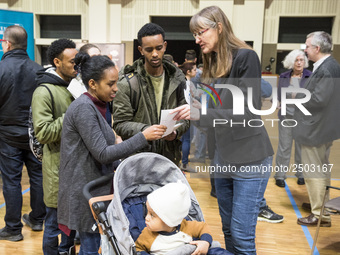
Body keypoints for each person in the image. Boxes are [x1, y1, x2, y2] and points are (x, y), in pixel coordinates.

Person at [57, 53, 167, 255]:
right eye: (111, 84)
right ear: (92, 84)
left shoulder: (97, 105)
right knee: (89, 247)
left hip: (93, 187)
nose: (116, 88)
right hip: (84, 191)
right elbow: (102, 153)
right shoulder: (84, 108)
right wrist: (143, 137)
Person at [189, 6, 274, 254]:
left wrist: (203, 113)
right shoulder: (213, 62)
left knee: (241, 235)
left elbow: (246, 114)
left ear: (219, 27)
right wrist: (195, 110)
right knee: (227, 230)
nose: (197, 39)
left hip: (250, 157)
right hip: (223, 156)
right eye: (194, 34)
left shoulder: (245, 57)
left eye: (200, 32)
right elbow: (213, 115)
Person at [112, 23, 189, 166]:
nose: (154, 54)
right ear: (141, 50)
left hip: (169, 158)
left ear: (165, 46)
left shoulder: (178, 80)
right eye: (149, 49)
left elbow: (187, 117)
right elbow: (120, 124)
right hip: (139, 161)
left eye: (159, 48)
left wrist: (175, 133)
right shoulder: (127, 83)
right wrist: (145, 131)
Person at [31, 38, 78, 254]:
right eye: (72, 62)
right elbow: (43, 133)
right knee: (53, 225)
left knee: (71, 226)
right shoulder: (44, 91)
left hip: (75, 169)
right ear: (57, 62)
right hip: (57, 171)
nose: (76, 66)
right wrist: (73, 113)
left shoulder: (73, 86)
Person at [0, 25, 46, 242]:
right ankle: (38, 219)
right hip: (35, 134)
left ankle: (13, 229)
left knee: (11, 181)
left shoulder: (0, 69)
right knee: (38, 177)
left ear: (7, 43)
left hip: (7, 136)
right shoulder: (39, 70)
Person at [293, 31, 340, 227]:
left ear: (317, 49)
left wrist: (298, 97)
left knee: (314, 172)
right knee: (320, 169)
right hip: (321, 129)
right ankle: (321, 206)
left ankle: (319, 214)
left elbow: (319, 99)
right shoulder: (328, 66)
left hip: (316, 130)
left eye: (307, 46)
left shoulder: (327, 69)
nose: (305, 50)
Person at [135, 181, 230, 255]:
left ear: (169, 219)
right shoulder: (146, 236)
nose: (146, 218)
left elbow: (203, 227)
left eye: (152, 215)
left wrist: (205, 242)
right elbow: (138, 249)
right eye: (147, 213)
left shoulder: (187, 227)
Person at [274, 50, 312, 188]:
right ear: (292, 62)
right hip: (286, 116)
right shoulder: (284, 76)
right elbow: (279, 95)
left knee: (301, 147)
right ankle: (280, 175)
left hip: (303, 118)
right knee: (284, 147)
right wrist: (278, 103)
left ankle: (300, 174)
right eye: (296, 60)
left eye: (302, 60)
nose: (299, 62)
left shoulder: (310, 76)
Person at [178, 62, 199, 173]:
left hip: (184, 113)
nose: (196, 72)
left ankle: (181, 163)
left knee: (184, 139)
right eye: (194, 70)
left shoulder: (187, 83)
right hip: (186, 114)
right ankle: (184, 164)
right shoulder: (186, 83)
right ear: (188, 72)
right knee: (186, 140)